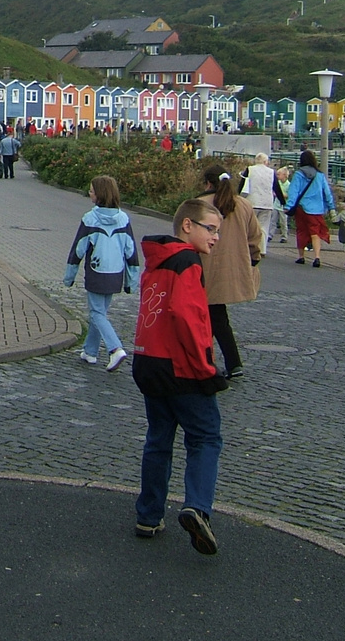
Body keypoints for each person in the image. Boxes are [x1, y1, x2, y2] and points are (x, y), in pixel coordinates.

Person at [133, 198, 228, 555]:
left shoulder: (157, 260)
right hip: (181, 367)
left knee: (159, 438)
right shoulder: (188, 262)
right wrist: (207, 369)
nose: (215, 237)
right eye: (211, 229)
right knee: (205, 437)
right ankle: (197, 507)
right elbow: (190, 319)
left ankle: (149, 513)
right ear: (188, 226)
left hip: (149, 361)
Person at [64, 175, 140, 371]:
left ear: (98, 195)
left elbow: (78, 249)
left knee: (97, 313)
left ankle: (115, 349)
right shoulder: (123, 218)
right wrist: (132, 281)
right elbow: (131, 251)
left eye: (91, 190)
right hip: (116, 272)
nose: (89, 193)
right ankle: (90, 351)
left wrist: (69, 277)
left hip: (96, 272)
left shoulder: (90, 218)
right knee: (100, 312)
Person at [196, 163, 262, 377]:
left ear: (207, 183)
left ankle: (205, 361)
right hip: (231, 270)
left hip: (201, 269)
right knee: (218, 316)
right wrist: (252, 261)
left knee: (201, 317)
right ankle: (232, 362)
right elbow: (255, 238)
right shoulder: (243, 205)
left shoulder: (198, 205)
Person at [284, 150, 335, 267]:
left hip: (302, 207)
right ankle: (317, 257)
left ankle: (301, 256)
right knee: (315, 232)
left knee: (301, 231)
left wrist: (289, 206)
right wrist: (331, 207)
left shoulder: (298, 174)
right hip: (317, 209)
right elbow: (327, 193)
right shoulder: (320, 175)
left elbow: (293, 192)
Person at [243, 153, 283, 251]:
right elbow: (276, 188)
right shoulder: (271, 172)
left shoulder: (249, 170)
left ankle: (249, 247)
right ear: (266, 162)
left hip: (251, 202)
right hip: (267, 203)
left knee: (250, 226)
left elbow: (242, 185)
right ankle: (262, 249)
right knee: (264, 227)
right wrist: (283, 202)